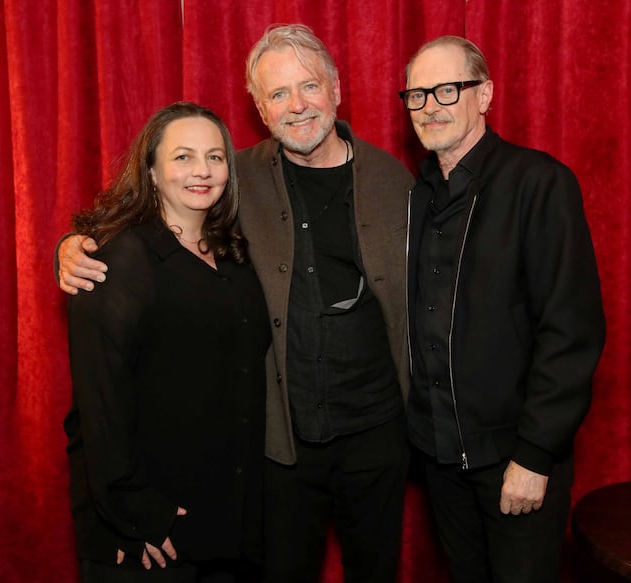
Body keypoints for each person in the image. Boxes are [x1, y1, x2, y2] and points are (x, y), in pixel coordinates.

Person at [58, 24, 413, 583]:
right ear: (260, 108)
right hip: (278, 449)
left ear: (337, 88)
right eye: (277, 94)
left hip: (376, 436)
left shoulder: (395, 181)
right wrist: (70, 247)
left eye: (309, 87)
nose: (297, 106)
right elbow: (136, 219)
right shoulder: (233, 176)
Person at [398, 36, 606, 582]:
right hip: (440, 457)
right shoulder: (416, 196)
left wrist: (536, 454)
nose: (430, 106)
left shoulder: (539, 183)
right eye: (416, 94)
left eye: (447, 89)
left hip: (515, 459)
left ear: (484, 94)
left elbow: (571, 329)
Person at [64, 102, 270, 583]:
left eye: (215, 157)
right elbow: (99, 408)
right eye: (183, 157)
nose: (202, 170)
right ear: (152, 171)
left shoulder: (237, 256)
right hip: (152, 531)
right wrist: (131, 516)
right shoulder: (116, 262)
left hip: (229, 521)